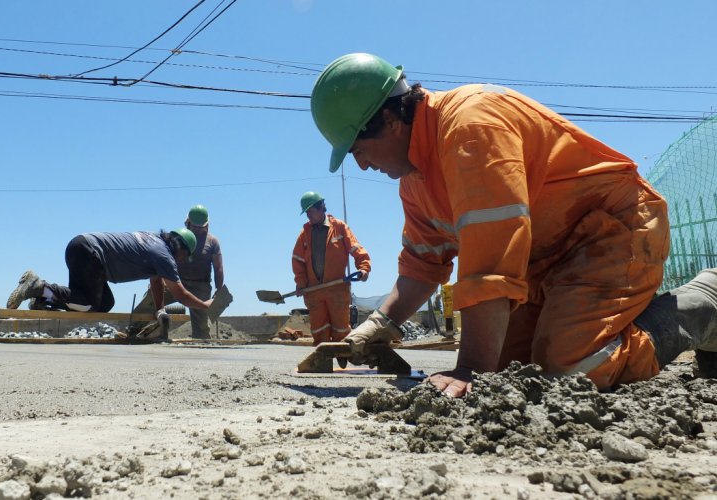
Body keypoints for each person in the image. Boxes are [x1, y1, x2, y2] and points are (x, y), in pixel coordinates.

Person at [309, 52, 717, 397]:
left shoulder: (470, 127)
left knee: (569, 369)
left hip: (610, 231)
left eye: (358, 149)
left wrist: (469, 368)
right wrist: (380, 324)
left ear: (390, 121)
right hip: (542, 263)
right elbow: (422, 264)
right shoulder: (416, 180)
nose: (361, 163)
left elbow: (493, 257)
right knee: (514, 374)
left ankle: (703, 305)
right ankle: (601, 319)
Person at [6, 228, 213, 338]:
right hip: (89, 253)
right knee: (89, 304)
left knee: (105, 303)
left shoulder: (155, 241)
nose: (182, 261)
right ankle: (38, 287)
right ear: (182, 249)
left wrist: (159, 309)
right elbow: (180, 294)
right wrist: (205, 305)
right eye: (185, 257)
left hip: (82, 247)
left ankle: (44, 298)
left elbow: (156, 279)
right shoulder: (164, 255)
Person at [134, 205, 225, 339]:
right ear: (187, 222)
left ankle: (201, 346)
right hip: (175, 281)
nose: (196, 230)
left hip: (200, 285)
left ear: (206, 225)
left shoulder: (212, 242)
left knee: (202, 326)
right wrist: (158, 282)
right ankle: (132, 331)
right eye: (193, 227)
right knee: (150, 301)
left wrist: (219, 289)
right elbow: (164, 259)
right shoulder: (178, 237)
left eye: (200, 228)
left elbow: (218, 267)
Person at [292, 191, 371, 345]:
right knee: (319, 331)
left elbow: (356, 248)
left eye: (310, 211)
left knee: (341, 329)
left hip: (337, 289)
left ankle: (342, 357)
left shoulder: (339, 228)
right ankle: (323, 362)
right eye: (306, 212)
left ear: (321, 208)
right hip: (314, 291)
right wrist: (301, 283)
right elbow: (297, 261)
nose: (308, 215)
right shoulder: (305, 234)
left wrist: (363, 268)